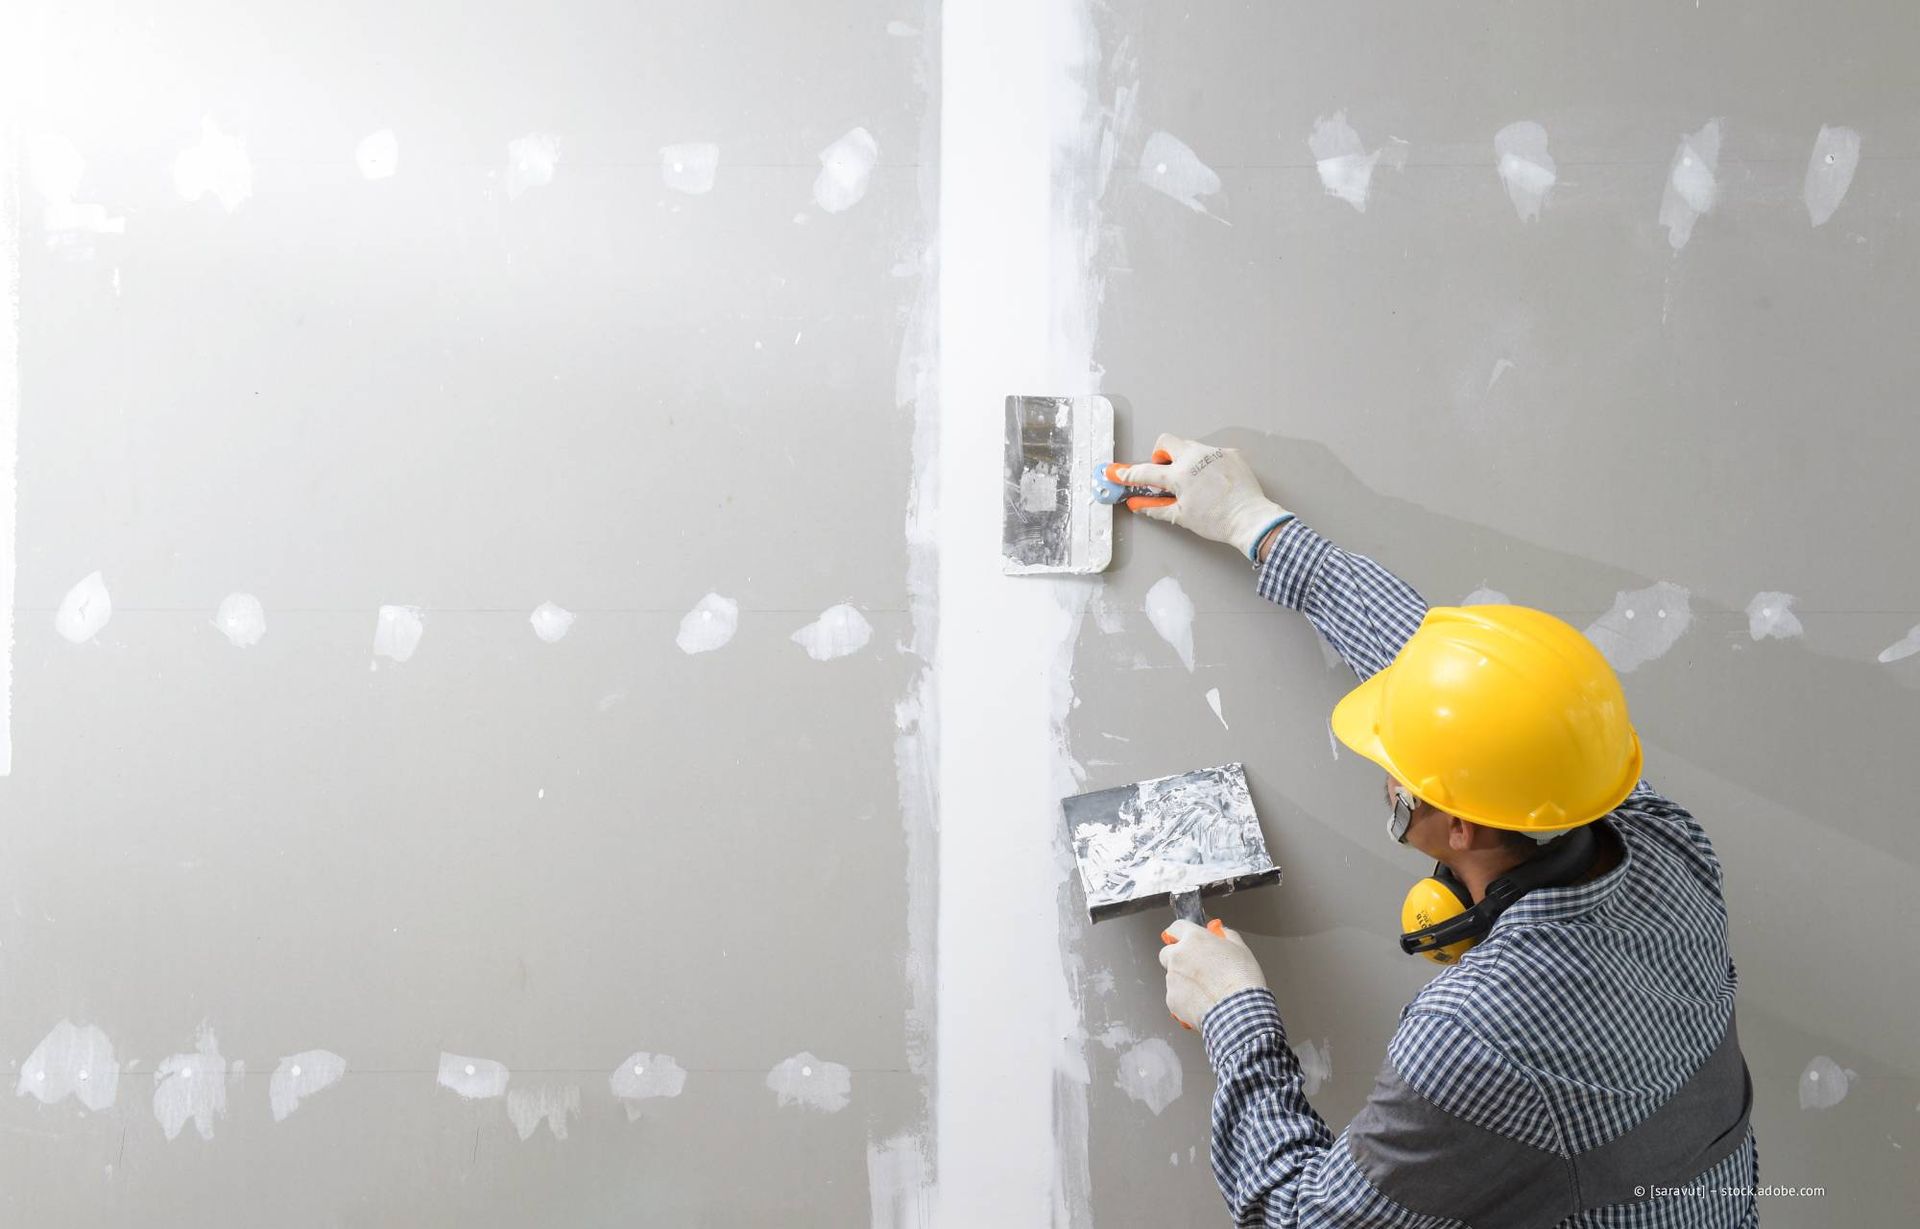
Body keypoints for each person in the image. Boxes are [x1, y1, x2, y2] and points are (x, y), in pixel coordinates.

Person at [1122, 435, 1757, 1228]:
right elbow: (1464, 684)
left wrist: (1234, 1011)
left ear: (1456, 823)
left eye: (1396, 761)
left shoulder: (1478, 1032)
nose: (1384, 766)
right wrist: (1253, 522)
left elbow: (1303, 1221)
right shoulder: (1663, 842)